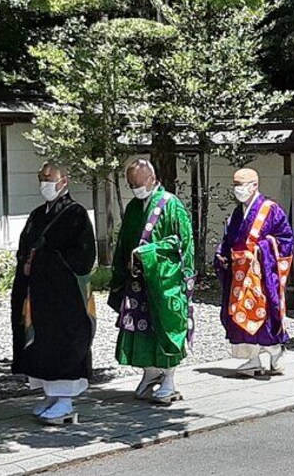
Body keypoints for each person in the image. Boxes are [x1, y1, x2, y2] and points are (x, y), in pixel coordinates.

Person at [11, 162, 97, 424]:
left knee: (64, 342)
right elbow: (25, 246)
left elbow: (83, 256)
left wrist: (44, 260)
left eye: (50, 178)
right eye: (42, 178)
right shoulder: (38, 214)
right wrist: (27, 261)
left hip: (64, 296)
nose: (45, 183)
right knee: (40, 342)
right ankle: (50, 394)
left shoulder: (76, 214)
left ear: (64, 181)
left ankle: (65, 400)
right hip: (37, 293)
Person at [109, 159, 194, 405]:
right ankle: (150, 371)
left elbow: (181, 245)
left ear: (151, 178)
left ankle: (168, 379)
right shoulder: (135, 208)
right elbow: (124, 241)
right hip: (137, 281)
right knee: (140, 328)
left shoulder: (171, 205)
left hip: (164, 281)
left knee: (166, 327)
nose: (135, 188)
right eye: (130, 184)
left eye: (137, 183)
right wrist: (123, 268)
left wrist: (148, 255)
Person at [214, 168, 294, 377]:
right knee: (239, 313)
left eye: (242, 184)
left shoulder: (271, 209)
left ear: (255, 185)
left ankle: (276, 352)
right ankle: (252, 359)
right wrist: (221, 255)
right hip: (238, 274)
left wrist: (261, 250)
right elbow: (228, 240)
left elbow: (285, 239)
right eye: (236, 185)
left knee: (263, 312)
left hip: (260, 273)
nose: (239, 189)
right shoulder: (237, 213)